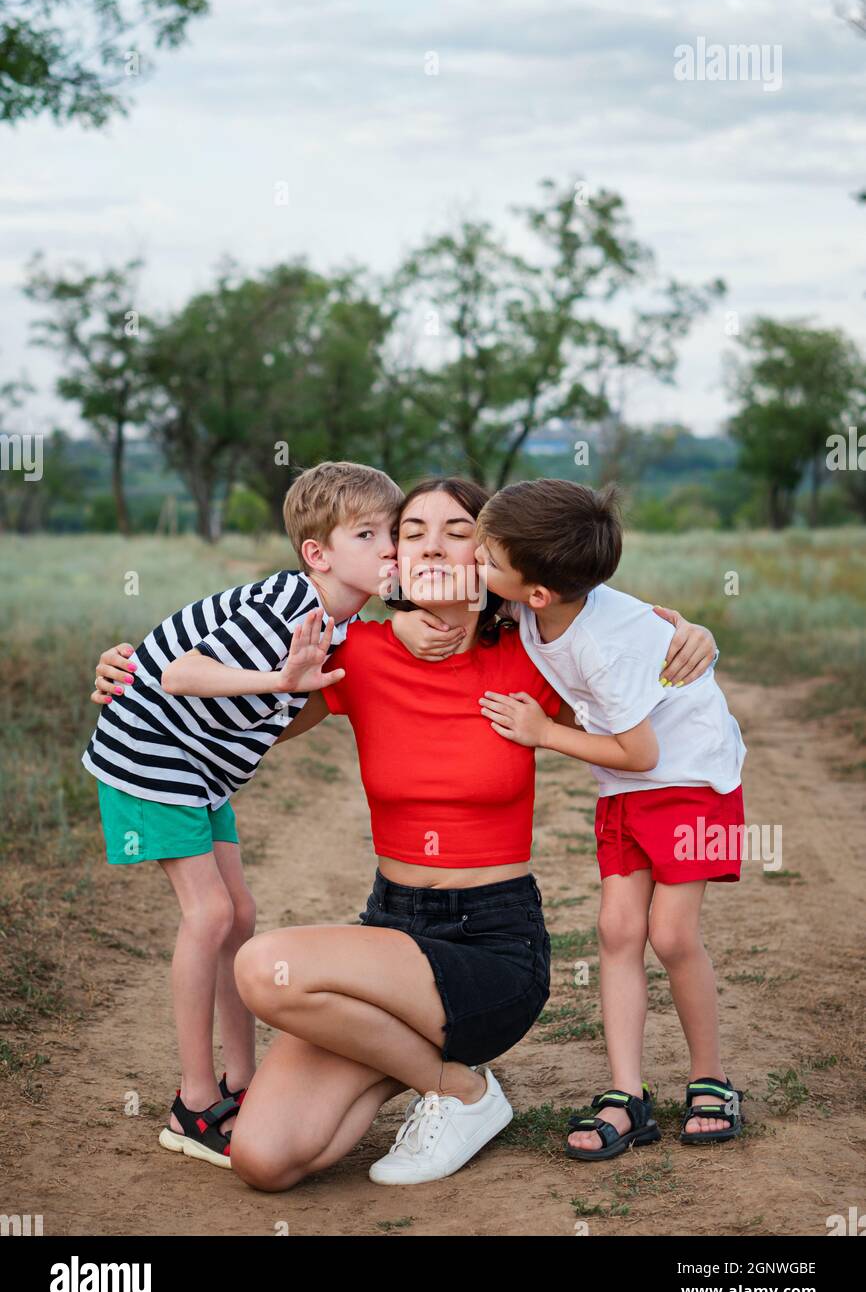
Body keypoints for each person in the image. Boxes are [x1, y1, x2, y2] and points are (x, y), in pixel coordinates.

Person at [92, 475, 715, 1188]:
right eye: (411, 530)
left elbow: (623, 636)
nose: (432, 544)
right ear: (394, 558)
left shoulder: (535, 653)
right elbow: (237, 716)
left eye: (458, 530)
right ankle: (445, 1078)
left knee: (264, 967)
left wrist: (695, 634)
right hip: (390, 933)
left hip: (492, 948)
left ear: (490, 554)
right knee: (265, 1159)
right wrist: (131, 675)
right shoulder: (354, 653)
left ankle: (461, 1094)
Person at [82, 460, 404, 1166]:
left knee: (242, 914)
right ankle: (193, 1103)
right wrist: (280, 678)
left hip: (201, 770)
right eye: (368, 534)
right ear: (318, 553)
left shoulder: (339, 624)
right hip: (153, 752)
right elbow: (179, 674)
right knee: (211, 916)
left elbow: (285, 713)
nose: (390, 549)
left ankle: (242, 1080)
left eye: (393, 533)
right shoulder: (292, 607)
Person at [471, 477, 747, 1159]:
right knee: (617, 927)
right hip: (628, 786)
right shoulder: (534, 602)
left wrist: (542, 733)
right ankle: (629, 1094)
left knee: (672, 934)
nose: (477, 566)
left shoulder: (602, 640)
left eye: (486, 558)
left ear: (535, 591)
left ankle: (710, 1077)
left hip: (694, 778)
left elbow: (640, 747)